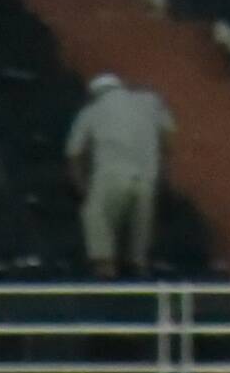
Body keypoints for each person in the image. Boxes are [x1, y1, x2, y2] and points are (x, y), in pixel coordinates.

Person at [66, 68, 169, 276]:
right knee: (138, 253)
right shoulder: (149, 102)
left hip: (109, 178)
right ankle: (139, 284)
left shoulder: (92, 111)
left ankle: (107, 281)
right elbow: (167, 136)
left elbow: (74, 155)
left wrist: (83, 190)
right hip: (146, 180)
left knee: (99, 233)